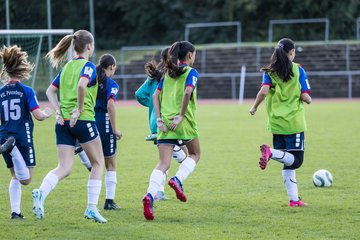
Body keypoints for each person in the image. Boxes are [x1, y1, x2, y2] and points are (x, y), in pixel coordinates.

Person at [31, 30, 108, 223]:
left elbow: (50, 91)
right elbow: (82, 86)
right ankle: (91, 208)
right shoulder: (88, 66)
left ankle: (41, 192)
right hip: (83, 120)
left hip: (63, 122)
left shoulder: (66, 68)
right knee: (98, 164)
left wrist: (58, 111)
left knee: (64, 167)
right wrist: (79, 110)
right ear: (89, 46)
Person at [249, 38, 312, 207]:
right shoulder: (298, 70)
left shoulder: (269, 71)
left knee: (287, 162)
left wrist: (254, 107)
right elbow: (305, 96)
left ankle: (294, 200)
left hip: (276, 124)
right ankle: (270, 152)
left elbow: (263, 91)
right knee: (296, 161)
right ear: (291, 53)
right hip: (294, 123)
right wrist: (308, 99)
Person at [142, 41, 200, 220]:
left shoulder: (167, 74)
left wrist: (158, 119)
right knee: (195, 154)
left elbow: (154, 96)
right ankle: (177, 179)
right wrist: (181, 115)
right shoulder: (191, 72)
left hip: (165, 124)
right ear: (189, 55)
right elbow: (188, 92)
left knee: (163, 164)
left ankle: (150, 195)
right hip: (182, 123)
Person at [0, 45, 53, 219]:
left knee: (15, 176)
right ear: (21, 68)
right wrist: (46, 113)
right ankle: (13, 148)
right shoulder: (26, 91)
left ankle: (15, 213)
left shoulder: (0, 92)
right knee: (27, 179)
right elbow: (37, 116)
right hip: (22, 136)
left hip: (4, 135)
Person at [135, 47, 187, 201]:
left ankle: (160, 191)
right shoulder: (170, 75)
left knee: (166, 160)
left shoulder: (154, 75)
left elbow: (139, 94)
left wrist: (152, 106)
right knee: (186, 158)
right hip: (168, 123)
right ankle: (168, 185)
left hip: (155, 123)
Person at [75, 53, 122, 210]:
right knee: (111, 164)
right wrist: (115, 129)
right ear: (111, 67)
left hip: (90, 122)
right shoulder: (112, 84)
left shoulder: (91, 79)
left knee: (96, 163)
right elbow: (110, 106)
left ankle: (81, 152)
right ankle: (109, 201)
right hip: (105, 125)